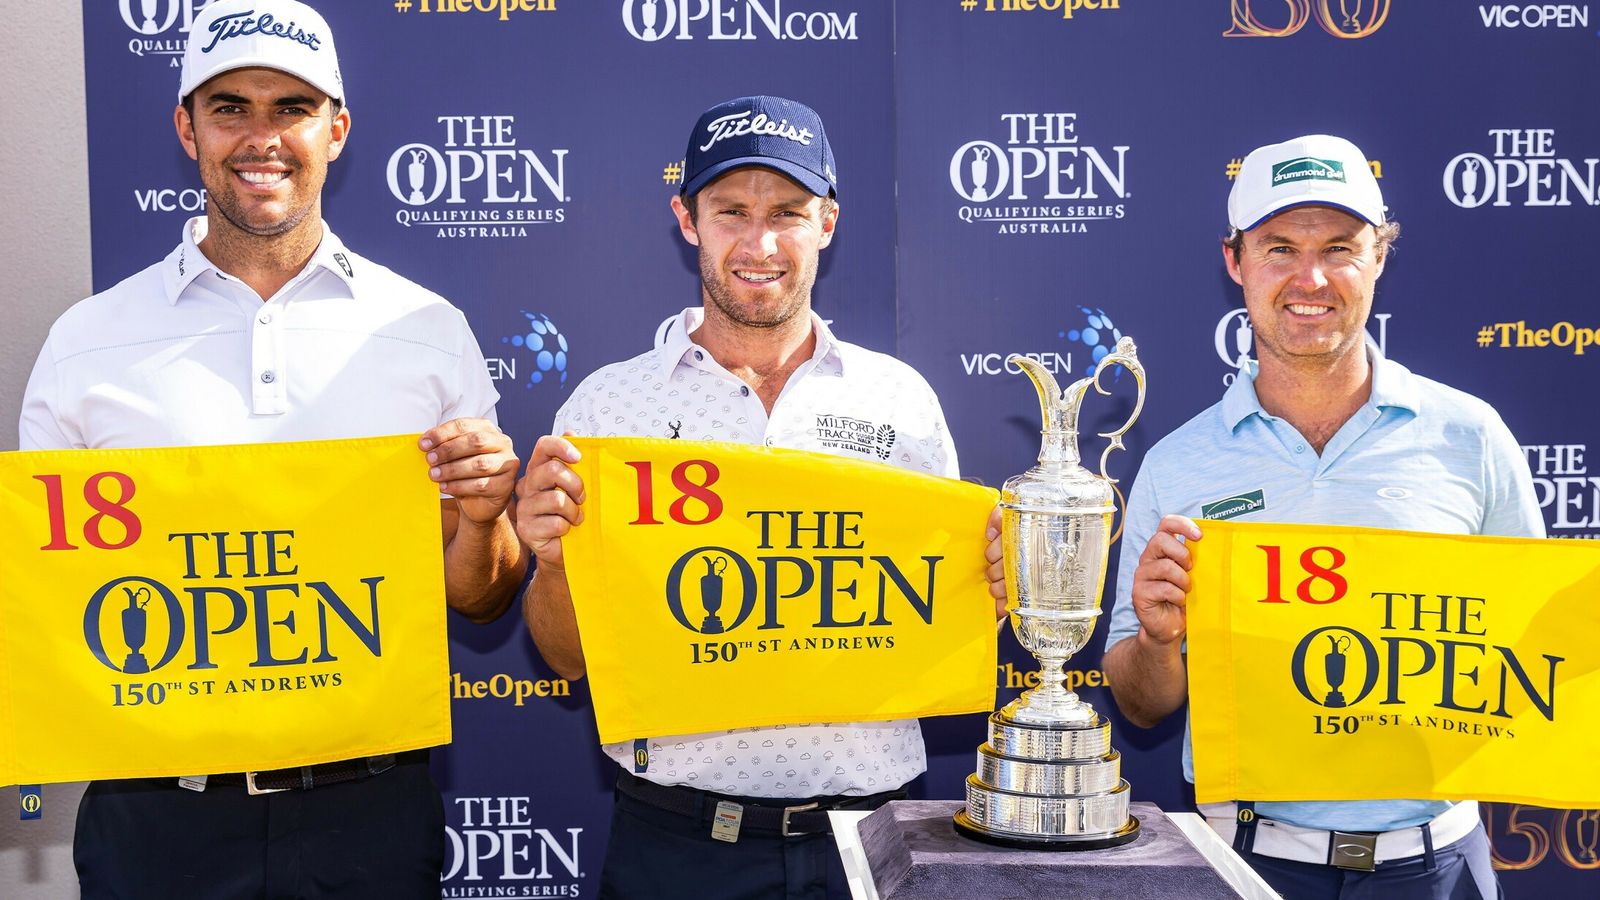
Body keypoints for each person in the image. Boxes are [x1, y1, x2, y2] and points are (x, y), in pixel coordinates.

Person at [18, 1, 525, 895]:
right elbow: (50, 604)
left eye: (291, 107)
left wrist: (484, 519)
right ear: (187, 129)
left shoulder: (427, 330)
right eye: (230, 109)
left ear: (337, 129)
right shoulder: (85, 341)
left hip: (367, 814)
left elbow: (481, 599)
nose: (263, 137)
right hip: (154, 823)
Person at [515, 95, 1005, 900]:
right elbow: (568, 658)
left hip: (873, 839)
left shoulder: (899, 399)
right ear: (687, 218)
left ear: (828, 224)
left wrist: (993, 588)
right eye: (731, 211)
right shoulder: (607, 410)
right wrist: (555, 565)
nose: (760, 242)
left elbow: (940, 621)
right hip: (676, 847)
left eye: (788, 212)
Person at [1102, 134, 1543, 898]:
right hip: (1242, 862)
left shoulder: (1470, 437)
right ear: (1235, 262)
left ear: (1380, 257)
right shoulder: (1178, 464)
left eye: (1340, 247)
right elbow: (1142, 706)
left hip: (1438, 867)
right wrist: (1161, 639)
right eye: (1279, 248)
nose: (1311, 278)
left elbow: (1536, 657)